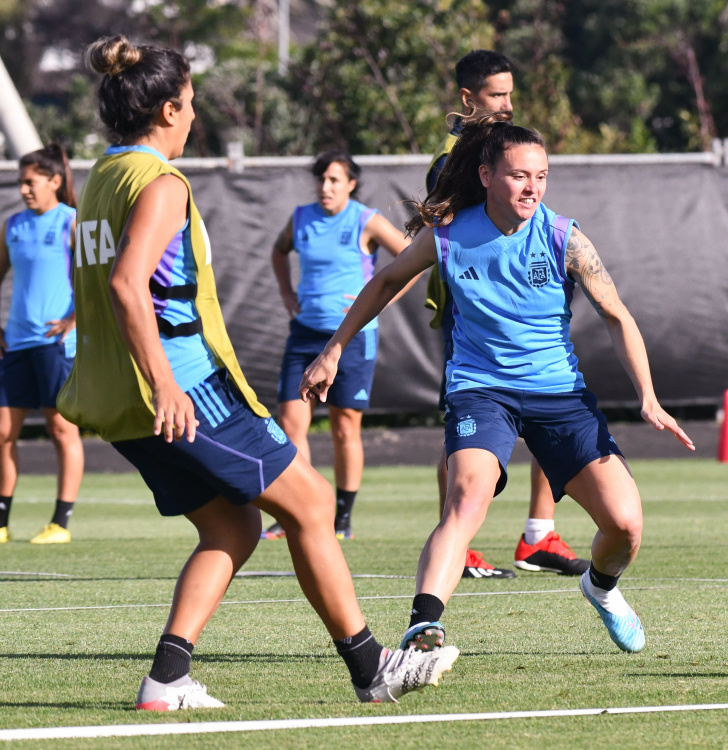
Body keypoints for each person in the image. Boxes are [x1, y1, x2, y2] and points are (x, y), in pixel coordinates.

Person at [58, 34, 458, 710]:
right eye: (187, 105)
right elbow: (128, 286)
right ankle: (372, 667)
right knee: (310, 505)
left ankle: (166, 678)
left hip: (120, 397)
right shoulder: (158, 181)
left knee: (234, 528)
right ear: (164, 111)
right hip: (184, 389)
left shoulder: (103, 176)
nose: (192, 117)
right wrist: (165, 382)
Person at [299, 111, 695, 656]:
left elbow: (617, 316)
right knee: (466, 500)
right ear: (486, 176)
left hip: (559, 395)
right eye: (518, 175)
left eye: (541, 175)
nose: (532, 186)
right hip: (480, 390)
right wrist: (333, 350)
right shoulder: (449, 234)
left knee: (625, 526)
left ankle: (600, 588)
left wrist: (648, 397)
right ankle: (423, 627)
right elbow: (387, 280)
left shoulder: (564, 237)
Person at [426, 49, 589, 579]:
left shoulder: (515, 148)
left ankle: (539, 534)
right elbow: (447, 236)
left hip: (532, 304)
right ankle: (460, 537)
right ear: (469, 99)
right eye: (497, 95)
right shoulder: (454, 161)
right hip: (475, 313)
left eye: (511, 93)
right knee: (465, 431)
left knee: (550, 399)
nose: (507, 104)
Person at [261, 151, 409, 542]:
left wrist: (383, 300)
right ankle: (298, 509)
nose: (325, 187)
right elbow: (278, 251)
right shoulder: (301, 218)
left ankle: (342, 517)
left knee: (345, 427)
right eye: (321, 179)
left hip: (353, 339)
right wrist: (286, 293)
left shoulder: (365, 219)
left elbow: (411, 259)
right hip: (305, 335)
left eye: (334, 180)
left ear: (351, 184)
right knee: (291, 423)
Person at [0, 144, 84, 545]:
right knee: (2, 432)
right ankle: (1, 521)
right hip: (15, 344)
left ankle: (60, 523)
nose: (24, 190)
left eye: (30, 182)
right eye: (20, 183)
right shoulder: (12, 225)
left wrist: (72, 319)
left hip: (56, 345)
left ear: (54, 181)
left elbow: (96, 278)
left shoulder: (71, 222)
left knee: (60, 430)